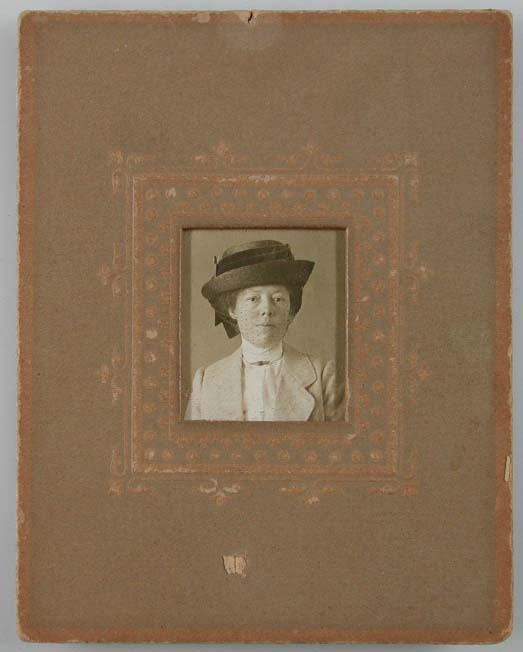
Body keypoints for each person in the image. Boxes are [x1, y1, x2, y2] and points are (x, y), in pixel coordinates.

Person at [185, 239, 345, 421]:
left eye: (278, 299)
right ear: (232, 310)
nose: (267, 310)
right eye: (253, 299)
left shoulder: (324, 377)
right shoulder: (206, 381)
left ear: (290, 309)